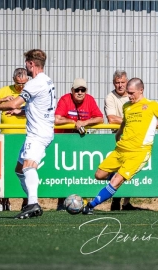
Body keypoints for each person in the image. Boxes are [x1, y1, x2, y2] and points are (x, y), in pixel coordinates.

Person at [82, 78, 158, 215]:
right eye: (128, 93)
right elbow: (124, 123)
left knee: (116, 181)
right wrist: (118, 134)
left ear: (141, 90)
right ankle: (116, 177)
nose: (129, 96)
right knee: (99, 175)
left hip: (139, 152)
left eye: (132, 93)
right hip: (121, 149)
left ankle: (90, 206)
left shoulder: (152, 105)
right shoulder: (127, 106)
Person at [0, 49, 56, 219]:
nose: (25, 66)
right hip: (42, 130)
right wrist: (22, 112)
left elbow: (13, 103)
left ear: (31, 63)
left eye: (26, 63)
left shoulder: (34, 83)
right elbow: (38, 105)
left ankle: (32, 204)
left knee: (29, 166)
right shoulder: (47, 81)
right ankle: (32, 202)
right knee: (19, 170)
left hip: (38, 133)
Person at [54, 77, 103, 210]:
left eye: (83, 90)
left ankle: (84, 202)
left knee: (83, 173)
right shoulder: (65, 99)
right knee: (64, 173)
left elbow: (100, 118)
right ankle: (61, 202)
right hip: (64, 141)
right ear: (72, 90)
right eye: (77, 90)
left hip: (82, 142)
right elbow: (56, 119)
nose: (80, 92)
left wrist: (84, 122)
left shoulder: (90, 100)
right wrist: (73, 123)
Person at [0, 68, 29, 211]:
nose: (21, 87)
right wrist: (2, 100)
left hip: (26, 136)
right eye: (18, 84)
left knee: (25, 169)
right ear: (14, 80)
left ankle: (26, 201)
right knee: (5, 169)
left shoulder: (30, 91)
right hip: (6, 136)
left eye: (24, 83)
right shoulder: (4, 90)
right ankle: (4, 199)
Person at [104, 70, 142, 211]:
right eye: (117, 82)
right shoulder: (110, 97)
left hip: (134, 139)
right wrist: (132, 121)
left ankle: (126, 202)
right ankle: (115, 201)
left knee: (127, 173)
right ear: (114, 83)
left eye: (122, 82)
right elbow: (111, 118)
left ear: (127, 83)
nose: (120, 85)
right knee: (114, 173)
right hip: (118, 138)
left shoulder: (134, 96)